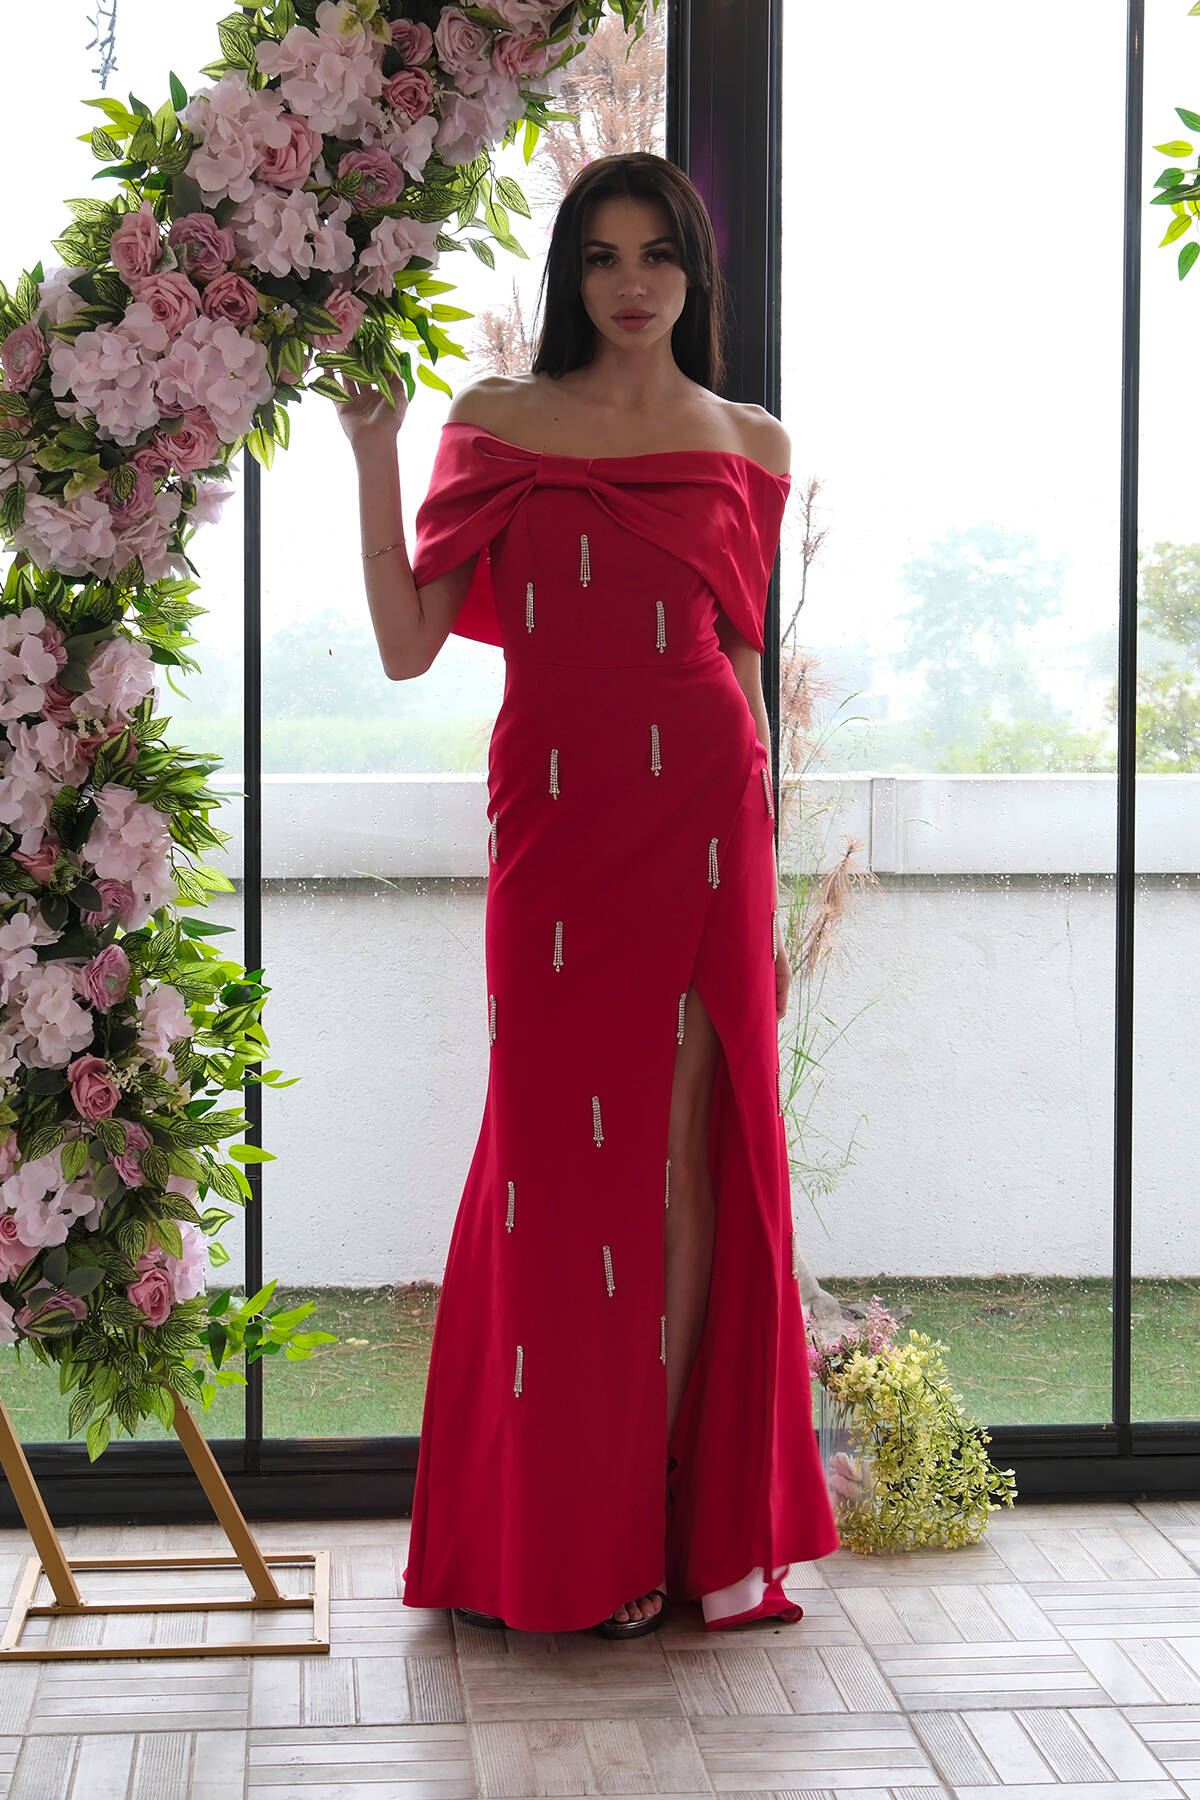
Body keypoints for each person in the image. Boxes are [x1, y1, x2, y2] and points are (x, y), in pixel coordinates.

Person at [335, 150, 840, 1638]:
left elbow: (740, 664)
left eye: (657, 255)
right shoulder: (497, 422)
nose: (631, 284)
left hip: (704, 819)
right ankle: (557, 1528)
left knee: (681, 1162)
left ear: (694, 274)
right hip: (556, 825)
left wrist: (757, 866)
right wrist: (374, 450)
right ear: (570, 276)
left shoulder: (749, 444)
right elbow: (408, 647)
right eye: (602, 257)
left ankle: (650, 1536)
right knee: (555, 1167)